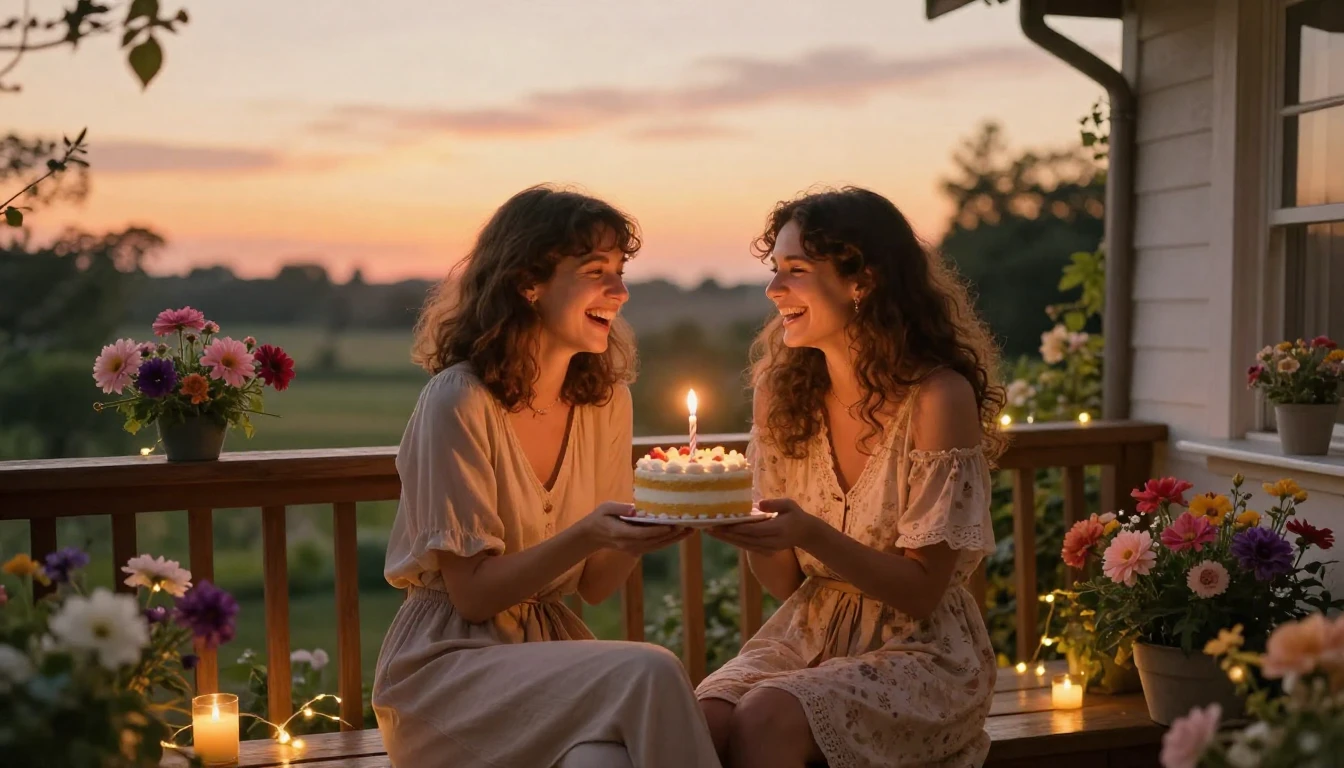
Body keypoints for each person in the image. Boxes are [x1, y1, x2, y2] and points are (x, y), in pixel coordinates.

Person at [372, 185, 721, 768]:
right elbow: (474, 594)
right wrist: (589, 532)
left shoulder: (605, 403)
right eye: (594, 271)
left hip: (548, 660)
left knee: (602, 765)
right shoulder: (458, 402)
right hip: (448, 672)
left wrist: (657, 524)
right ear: (527, 284)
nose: (619, 290)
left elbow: (598, 583)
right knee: (651, 667)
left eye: (619, 270)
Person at [697, 187, 1005, 768]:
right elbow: (787, 584)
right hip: (808, 632)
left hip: (923, 652)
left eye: (796, 271)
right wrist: (750, 532)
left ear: (861, 280)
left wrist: (809, 532)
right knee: (703, 719)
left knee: (768, 715)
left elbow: (921, 590)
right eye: (775, 270)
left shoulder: (938, 399)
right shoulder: (781, 396)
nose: (774, 290)